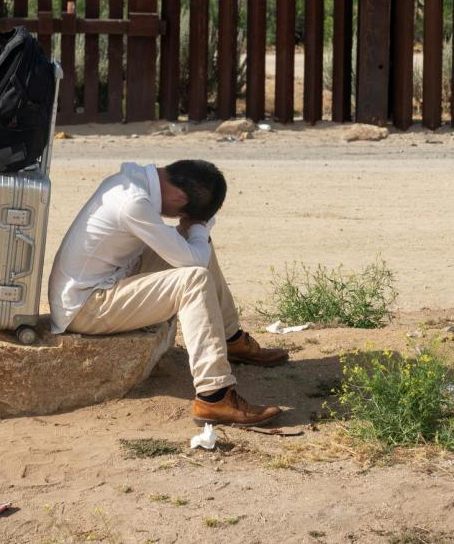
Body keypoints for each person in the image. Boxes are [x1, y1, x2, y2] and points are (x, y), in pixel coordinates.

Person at [47, 159, 287, 426]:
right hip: (86, 305)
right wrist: (197, 225)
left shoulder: (132, 183)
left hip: (110, 277)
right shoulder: (133, 202)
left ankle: (231, 339)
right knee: (194, 277)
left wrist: (196, 230)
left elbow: (194, 253)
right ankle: (214, 396)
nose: (175, 218)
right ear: (180, 196)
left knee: (197, 246)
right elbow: (193, 262)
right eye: (181, 213)